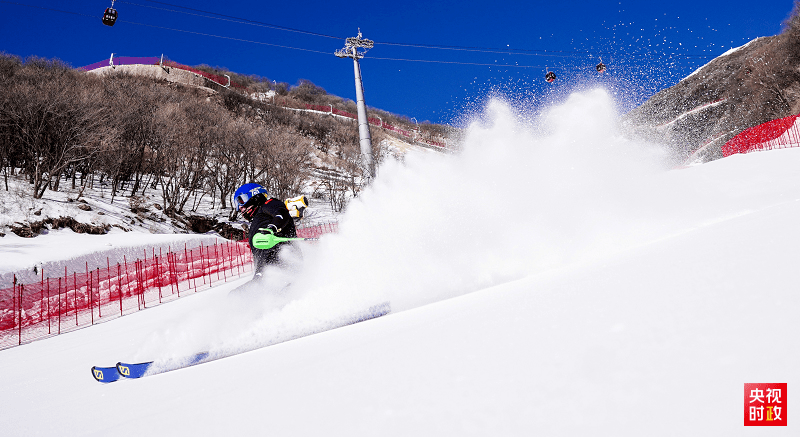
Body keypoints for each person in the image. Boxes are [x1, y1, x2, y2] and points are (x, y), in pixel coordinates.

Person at [234, 183, 297, 276]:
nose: (239, 207)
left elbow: (281, 213)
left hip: (284, 268)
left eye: (241, 200)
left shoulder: (268, 204)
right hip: (266, 273)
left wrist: (273, 227)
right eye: (237, 203)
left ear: (254, 196)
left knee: (237, 291)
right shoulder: (257, 220)